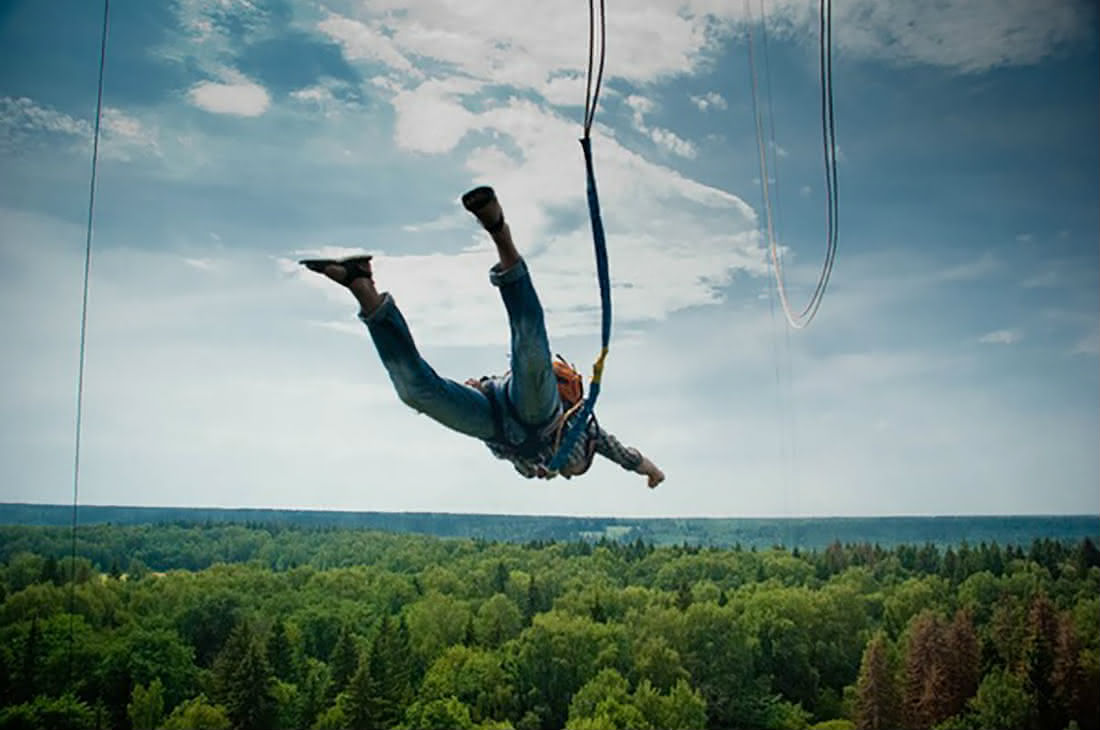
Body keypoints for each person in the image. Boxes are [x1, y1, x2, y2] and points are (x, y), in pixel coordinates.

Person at [301, 186, 665, 488]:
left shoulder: (534, 465)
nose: (567, 474)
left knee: (416, 393)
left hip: (493, 419)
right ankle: (499, 232)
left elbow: (509, 451)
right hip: (539, 411)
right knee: (530, 348)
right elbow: (624, 454)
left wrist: (479, 391)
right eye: (572, 470)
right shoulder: (584, 435)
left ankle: (360, 284)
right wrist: (651, 471)